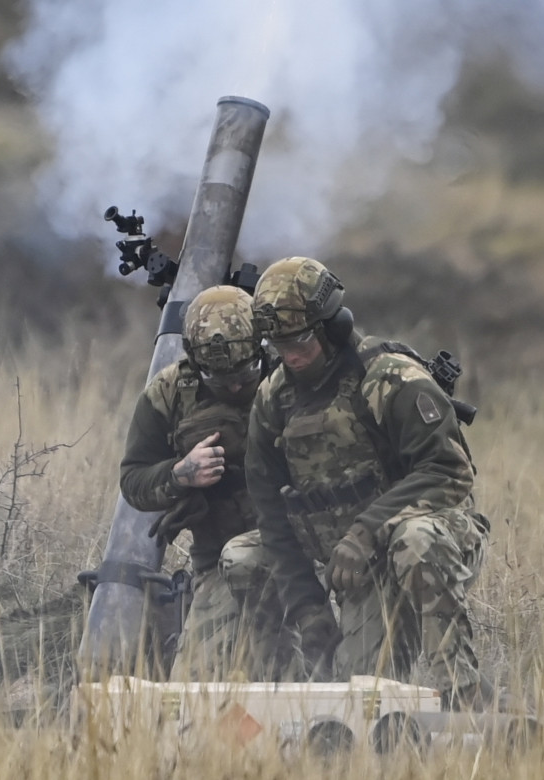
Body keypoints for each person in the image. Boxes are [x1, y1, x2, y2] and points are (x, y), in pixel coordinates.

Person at [244, 256, 490, 705]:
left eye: (300, 340)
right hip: (358, 567)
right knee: (360, 697)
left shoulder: (390, 377)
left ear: (332, 327)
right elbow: (271, 513)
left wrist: (366, 530)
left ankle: (463, 689)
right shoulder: (273, 399)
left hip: (434, 535)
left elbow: (448, 470)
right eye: (278, 344)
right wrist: (309, 608)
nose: (290, 355)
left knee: (415, 539)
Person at [117, 284, 286, 675]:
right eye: (220, 378)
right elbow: (133, 480)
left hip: (300, 552)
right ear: (195, 362)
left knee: (317, 675)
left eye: (246, 374)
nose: (235, 387)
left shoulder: (290, 377)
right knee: (195, 691)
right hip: (219, 562)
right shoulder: (169, 393)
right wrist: (180, 475)